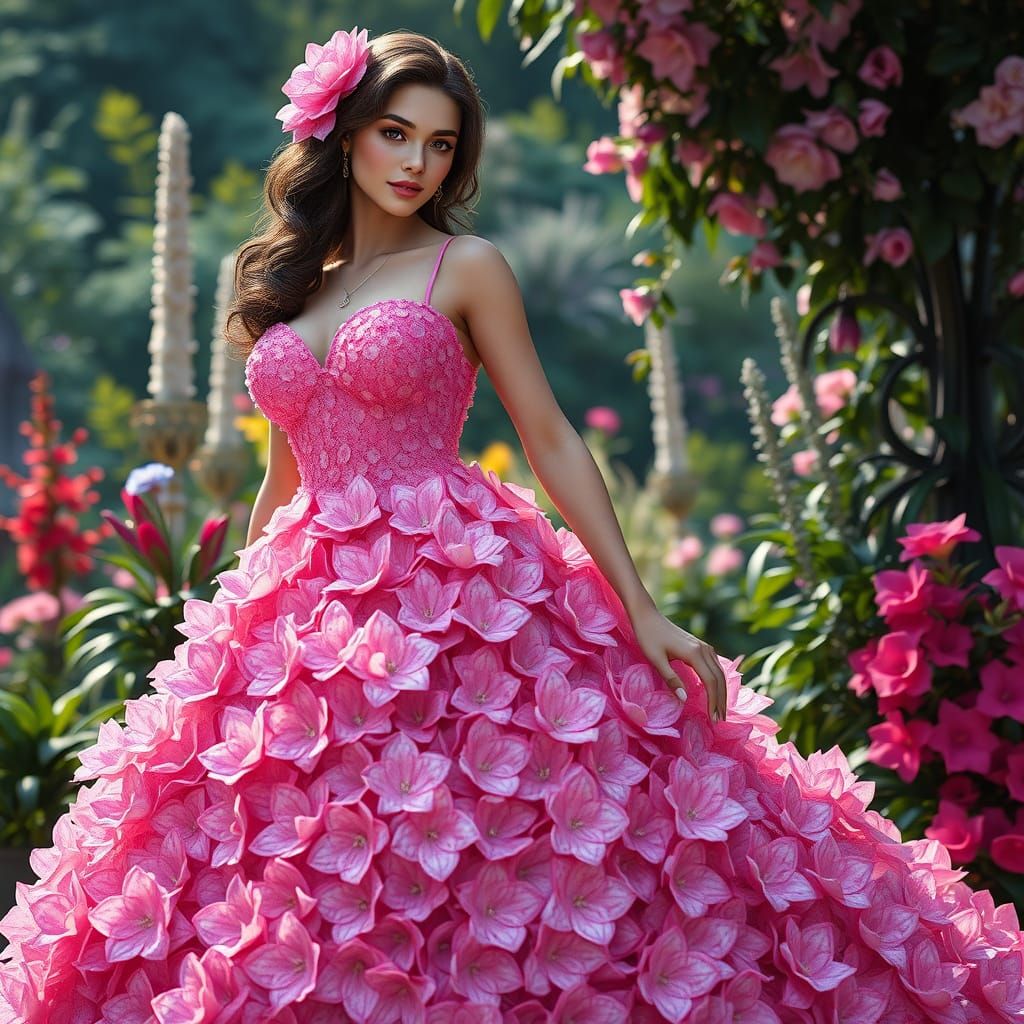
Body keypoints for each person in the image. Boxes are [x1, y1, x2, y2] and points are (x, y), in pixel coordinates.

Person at [1, 25, 1021, 1024]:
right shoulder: (278, 286)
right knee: (286, 867)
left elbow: (550, 437)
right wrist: (221, 640)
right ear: (344, 132)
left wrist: (642, 607)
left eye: (441, 144)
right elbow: (283, 474)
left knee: (480, 836)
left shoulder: (467, 266)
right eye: (397, 133)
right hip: (305, 624)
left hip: (451, 594)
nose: (417, 162)